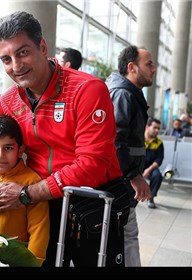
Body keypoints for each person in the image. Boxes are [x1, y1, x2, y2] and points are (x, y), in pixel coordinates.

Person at [0, 11, 128, 267]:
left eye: (23, 52)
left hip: (91, 206)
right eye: (6, 59)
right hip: (42, 204)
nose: (16, 66)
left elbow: (93, 163)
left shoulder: (87, 89)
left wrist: (29, 193)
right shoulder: (6, 101)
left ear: (42, 47)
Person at [0, 114, 49, 266]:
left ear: (20, 150)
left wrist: (33, 262)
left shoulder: (31, 182)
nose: (1, 155)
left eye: (8, 148)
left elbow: (39, 229)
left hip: (17, 259)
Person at [106, 45, 155, 266]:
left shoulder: (127, 93)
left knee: (125, 235)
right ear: (131, 67)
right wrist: (135, 176)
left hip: (122, 181)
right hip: (122, 182)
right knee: (127, 236)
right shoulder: (123, 94)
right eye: (149, 63)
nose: (154, 69)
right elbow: (116, 141)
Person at [143, 118, 164, 209]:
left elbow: (159, 159)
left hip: (150, 167)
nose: (157, 130)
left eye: (158, 128)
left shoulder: (159, 143)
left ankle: (150, 197)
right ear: (147, 127)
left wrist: (149, 169)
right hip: (136, 166)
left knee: (157, 175)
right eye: (155, 127)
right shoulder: (138, 139)